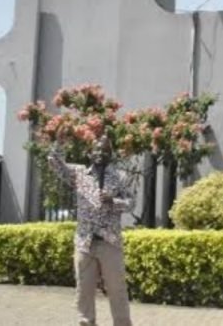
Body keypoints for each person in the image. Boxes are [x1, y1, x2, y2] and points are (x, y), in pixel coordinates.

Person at [48, 134, 134, 326]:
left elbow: (131, 203)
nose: (100, 153)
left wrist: (113, 201)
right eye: (96, 149)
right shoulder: (78, 174)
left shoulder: (121, 177)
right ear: (89, 153)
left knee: (116, 289)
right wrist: (59, 142)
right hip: (84, 241)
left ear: (110, 154)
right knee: (83, 289)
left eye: (104, 150)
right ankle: (86, 321)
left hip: (109, 242)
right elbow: (54, 163)